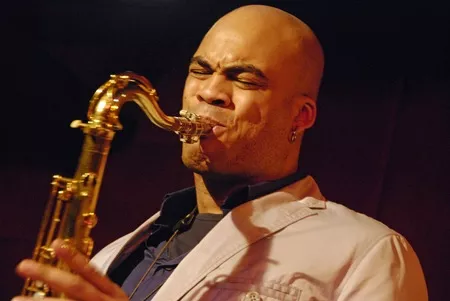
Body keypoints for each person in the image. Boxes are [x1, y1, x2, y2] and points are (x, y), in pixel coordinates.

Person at [13, 4, 428, 301]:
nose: (209, 92)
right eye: (200, 71)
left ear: (300, 117)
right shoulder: (112, 255)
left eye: (244, 79)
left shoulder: (368, 252)